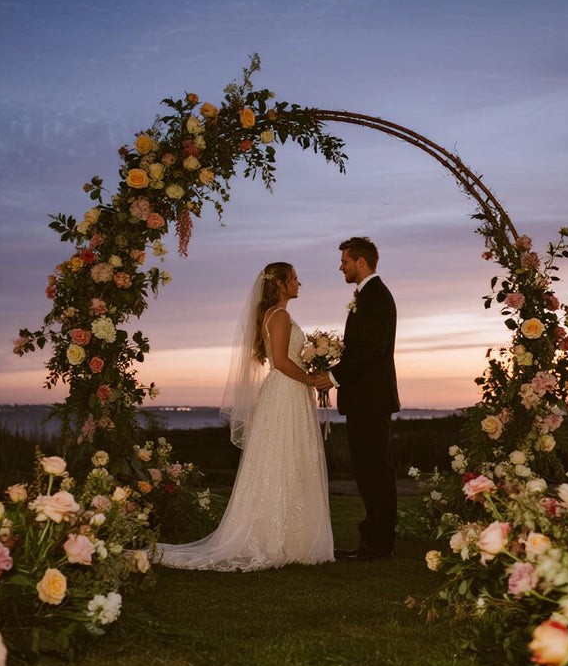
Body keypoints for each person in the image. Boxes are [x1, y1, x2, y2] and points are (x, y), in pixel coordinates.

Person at [154, 262, 335, 571]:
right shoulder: (279, 316)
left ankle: (293, 538)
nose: (299, 283)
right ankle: (276, 538)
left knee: (288, 459)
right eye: (293, 279)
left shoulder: (275, 315)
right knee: (283, 458)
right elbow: (279, 361)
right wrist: (311, 379)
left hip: (289, 392)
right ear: (279, 284)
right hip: (286, 392)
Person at [314, 237, 400, 561]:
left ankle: (379, 545)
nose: (341, 267)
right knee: (368, 471)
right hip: (366, 399)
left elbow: (371, 349)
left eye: (345, 261)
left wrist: (333, 376)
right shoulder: (367, 296)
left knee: (374, 471)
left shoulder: (375, 296)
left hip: (371, 399)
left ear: (360, 262)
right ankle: (374, 541)